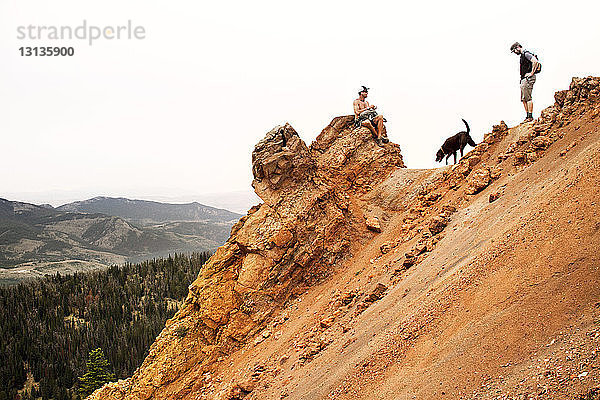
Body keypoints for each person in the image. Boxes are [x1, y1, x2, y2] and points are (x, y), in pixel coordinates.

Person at [510, 42, 541, 122]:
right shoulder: (522, 55)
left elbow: (535, 61)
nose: (514, 53)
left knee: (528, 98)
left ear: (518, 47)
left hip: (528, 79)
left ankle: (530, 117)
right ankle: (527, 116)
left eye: (514, 51)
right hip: (524, 79)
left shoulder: (526, 54)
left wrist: (532, 73)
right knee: (524, 99)